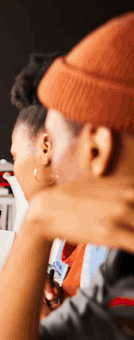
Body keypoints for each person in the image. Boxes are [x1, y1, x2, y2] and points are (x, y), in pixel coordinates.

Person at [0, 13, 134, 340]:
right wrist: (39, 222)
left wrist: (41, 219)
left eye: (57, 140)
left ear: (97, 149)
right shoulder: (122, 269)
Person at [9, 51, 108, 311]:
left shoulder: (106, 243)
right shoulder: (68, 229)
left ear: (46, 148)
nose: (13, 170)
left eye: (15, 156)